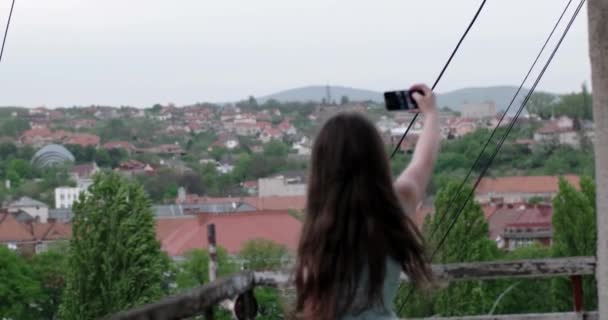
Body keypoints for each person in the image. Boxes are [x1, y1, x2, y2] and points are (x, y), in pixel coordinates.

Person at [293, 84, 441, 320]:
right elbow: (423, 161)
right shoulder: (397, 203)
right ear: (377, 158)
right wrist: (431, 114)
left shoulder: (318, 231)